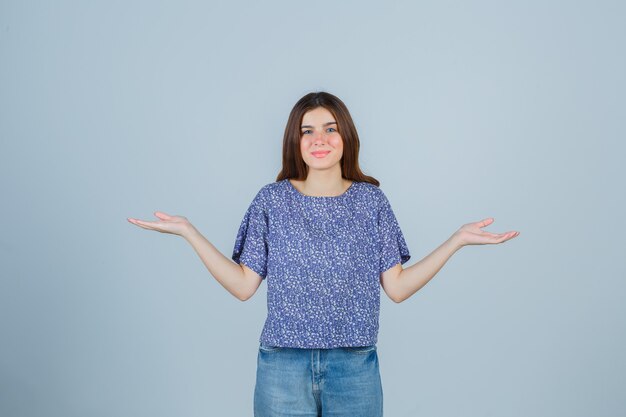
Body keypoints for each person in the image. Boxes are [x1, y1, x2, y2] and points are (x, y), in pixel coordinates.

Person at [127, 91, 519, 416]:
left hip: (354, 367)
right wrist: (189, 232)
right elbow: (244, 285)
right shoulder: (271, 201)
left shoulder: (371, 202)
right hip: (282, 366)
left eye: (330, 129)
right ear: (294, 142)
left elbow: (397, 288)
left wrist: (456, 241)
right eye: (308, 131)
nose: (320, 139)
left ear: (345, 136)